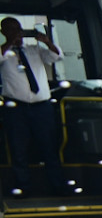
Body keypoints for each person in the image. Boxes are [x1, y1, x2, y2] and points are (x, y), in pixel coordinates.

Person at [0, 16, 71, 199]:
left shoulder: (35, 50)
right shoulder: (3, 53)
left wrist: (47, 42)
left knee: (49, 147)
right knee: (18, 149)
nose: (17, 33)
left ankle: (57, 187)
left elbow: (57, 56)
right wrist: (9, 43)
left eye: (18, 29)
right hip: (16, 109)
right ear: (3, 32)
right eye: (11, 30)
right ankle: (23, 188)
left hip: (42, 107)